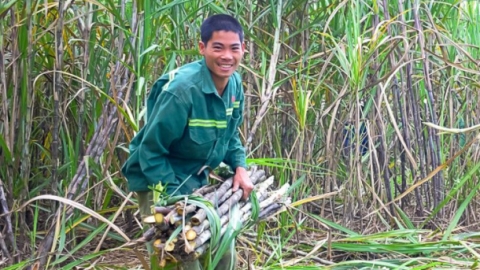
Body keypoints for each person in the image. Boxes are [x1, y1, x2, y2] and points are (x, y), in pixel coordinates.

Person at [121, 14, 254, 269]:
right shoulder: (182, 91)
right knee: (178, 257)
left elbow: (230, 135)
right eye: (218, 47)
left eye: (233, 48)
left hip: (193, 175)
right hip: (157, 177)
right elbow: (151, 151)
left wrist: (240, 167)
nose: (227, 56)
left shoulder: (234, 84)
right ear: (202, 48)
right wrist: (178, 200)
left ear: (243, 50)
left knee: (223, 250)